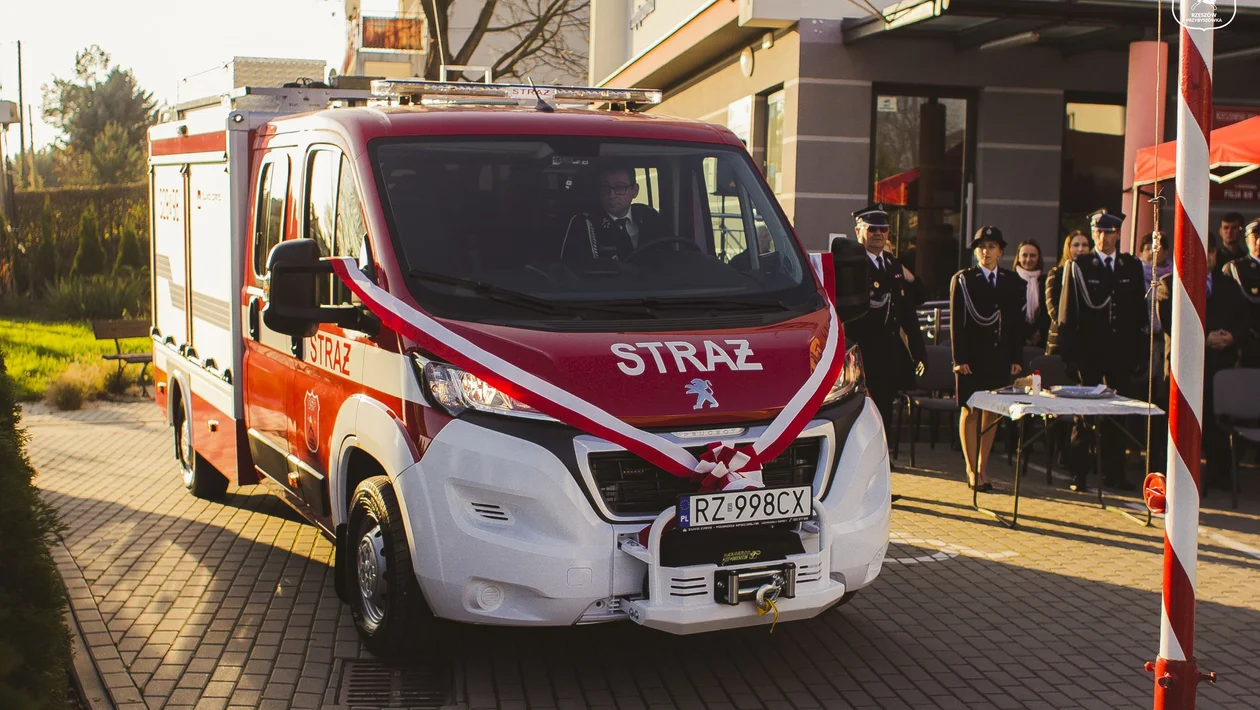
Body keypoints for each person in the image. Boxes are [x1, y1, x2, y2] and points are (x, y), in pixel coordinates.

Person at [1056, 209, 1148, 492]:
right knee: (1085, 414)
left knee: (1116, 414)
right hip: (1089, 352)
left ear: (1118, 234)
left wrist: (1140, 353)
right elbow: (1067, 313)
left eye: (1108, 232)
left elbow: (1138, 313)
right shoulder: (1081, 265)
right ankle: (1079, 473)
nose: (1102, 237)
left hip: (1120, 351)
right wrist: (1069, 355)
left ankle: (1113, 473)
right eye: (1098, 231)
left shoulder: (1130, 266)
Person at [1157, 232, 1251, 494]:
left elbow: (1245, 323)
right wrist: (1204, 338)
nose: (1207, 258)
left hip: (1219, 368)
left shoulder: (1229, 285)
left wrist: (1232, 337)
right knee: (1181, 427)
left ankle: (1218, 478)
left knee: (1215, 427)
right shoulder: (1170, 284)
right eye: (1201, 253)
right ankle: (1177, 481)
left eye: (1210, 252)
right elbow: (1169, 322)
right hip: (1184, 369)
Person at [950, 227, 1025, 491]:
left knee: (991, 413)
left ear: (1001, 252)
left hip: (999, 355)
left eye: (992, 246)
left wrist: (1017, 358)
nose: (986, 251)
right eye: (981, 247)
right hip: (972, 356)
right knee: (970, 410)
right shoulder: (964, 280)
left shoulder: (1012, 281)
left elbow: (1016, 324)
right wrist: (959, 358)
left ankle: (983, 468)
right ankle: (970, 469)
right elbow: (957, 322)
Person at [844, 203, 928, 435]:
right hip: (860, 352)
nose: (878, 234)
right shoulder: (851, 265)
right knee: (859, 411)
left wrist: (919, 350)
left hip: (888, 352)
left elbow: (908, 311)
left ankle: (883, 458)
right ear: (858, 232)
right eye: (872, 229)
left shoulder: (893, 265)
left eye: (883, 230)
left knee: (884, 410)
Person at [560, 164, 666, 263]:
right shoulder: (584, 224)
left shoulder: (649, 217)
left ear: (634, 191)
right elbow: (571, 273)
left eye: (620, 188)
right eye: (605, 187)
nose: (611, 195)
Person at [1045, 230, 1091, 356]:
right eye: (1076, 245)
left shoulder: (1094, 274)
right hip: (1061, 339)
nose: (1081, 249)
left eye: (1085, 245)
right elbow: (1053, 310)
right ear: (1068, 248)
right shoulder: (1056, 273)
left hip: (1087, 341)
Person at [1223, 218, 1260, 367]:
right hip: (1246, 343)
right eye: (1255, 237)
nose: (1259, 242)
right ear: (1246, 240)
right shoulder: (1235, 268)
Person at [1014, 240, 1049, 347]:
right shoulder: (1010, 280)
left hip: (1041, 340)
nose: (1028, 259)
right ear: (1018, 258)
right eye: (1024, 255)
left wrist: (1038, 332)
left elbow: (1047, 311)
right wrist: (1027, 333)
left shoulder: (1045, 281)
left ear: (1038, 258)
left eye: (1033, 255)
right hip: (1016, 340)